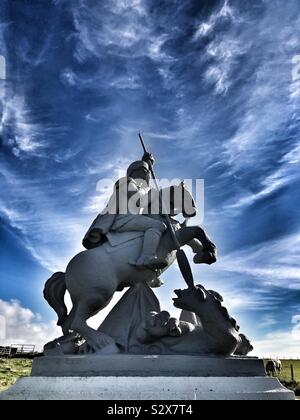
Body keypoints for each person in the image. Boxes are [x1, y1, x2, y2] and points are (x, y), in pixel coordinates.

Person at [83, 153, 168, 270]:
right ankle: (146, 257)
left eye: (147, 172)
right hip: (124, 219)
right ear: (133, 172)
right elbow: (138, 200)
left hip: (133, 218)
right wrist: (153, 193)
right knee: (158, 226)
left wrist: (149, 165)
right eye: (143, 171)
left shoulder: (141, 187)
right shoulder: (127, 181)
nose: (146, 174)